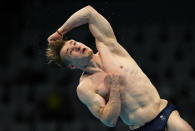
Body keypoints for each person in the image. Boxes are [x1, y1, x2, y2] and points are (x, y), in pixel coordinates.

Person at [47, 5, 193, 131]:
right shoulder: (85, 87)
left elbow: (89, 12)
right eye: (71, 51)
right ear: (72, 66)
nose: (77, 46)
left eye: (74, 42)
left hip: (163, 112)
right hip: (141, 127)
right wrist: (115, 89)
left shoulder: (108, 46)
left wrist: (60, 32)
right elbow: (108, 121)